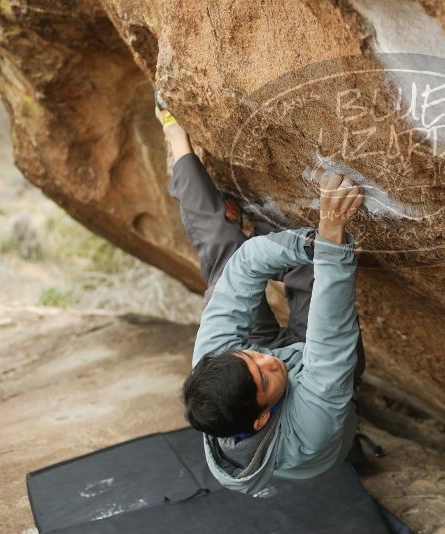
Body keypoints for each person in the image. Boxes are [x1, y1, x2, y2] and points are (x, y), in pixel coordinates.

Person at [156, 94, 366, 495]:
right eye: (262, 377)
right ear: (259, 420)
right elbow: (329, 342)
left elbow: (242, 271)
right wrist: (331, 241)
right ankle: (351, 442)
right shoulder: (311, 427)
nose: (267, 360)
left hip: (297, 375)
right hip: (317, 378)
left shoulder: (214, 367)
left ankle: (177, 140)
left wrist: (309, 241)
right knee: (317, 277)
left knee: (224, 255)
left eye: (249, 356)